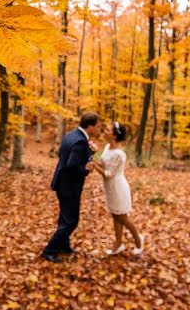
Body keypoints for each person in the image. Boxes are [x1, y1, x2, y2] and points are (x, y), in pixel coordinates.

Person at [41, 112, 101, 263]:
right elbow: (72, 165)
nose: (99, 129)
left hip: (61, 182)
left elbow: (65, 154)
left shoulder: (71, 135)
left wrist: (89, 154)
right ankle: (50, 250)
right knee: (71, 221)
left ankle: (63, 246)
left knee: (64, 217)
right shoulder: (80, 141)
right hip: (69, 186)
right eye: (98, 126)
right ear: (90, 126)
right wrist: (86, 169)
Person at [90, 121, 144, 255]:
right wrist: (91, 156)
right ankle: (118, 244)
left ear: (114, 135)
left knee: (122, 218)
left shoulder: (120, 154)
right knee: (115, 216)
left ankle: (138, 239)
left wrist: (93, 165)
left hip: (118, 187)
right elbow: (104, 165)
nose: (104, 131)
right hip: (110, 188)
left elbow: (109, 173)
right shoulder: (107, 147)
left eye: (108, 130)